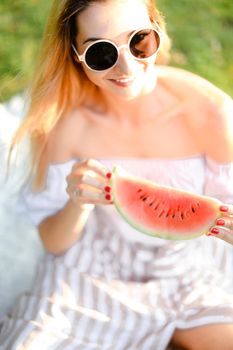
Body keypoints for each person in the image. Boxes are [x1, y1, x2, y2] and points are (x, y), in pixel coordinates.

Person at [1, 0, 233, 349]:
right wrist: (77, 204)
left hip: (187, 265)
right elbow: (54, 242)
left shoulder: (208, 112)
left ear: (159, 30)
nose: (126, 66)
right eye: (100, 53)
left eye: (140, 40)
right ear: (75, 55)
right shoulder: (66, 126)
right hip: (92, 273)